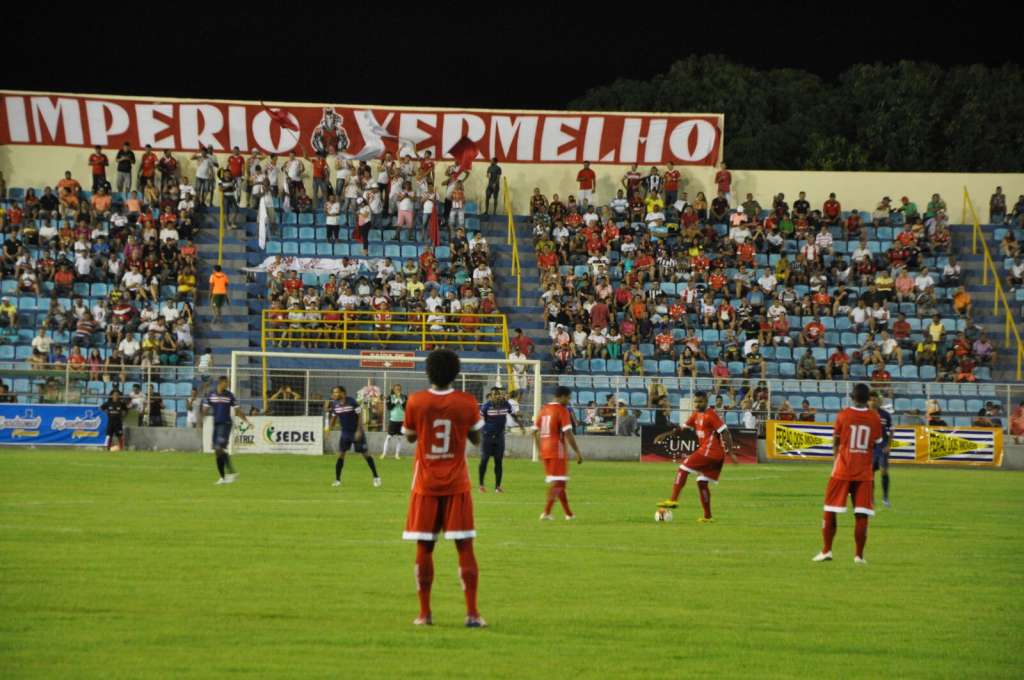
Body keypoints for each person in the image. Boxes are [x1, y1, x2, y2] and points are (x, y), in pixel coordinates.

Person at [400, 349, 486, 628]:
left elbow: (411, 436)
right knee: (465, 547)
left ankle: (424, 615)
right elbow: (475, 439)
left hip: (425, 484)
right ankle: (472, 614)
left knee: (424, 547)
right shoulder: (466, 402)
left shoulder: (416, 401)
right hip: (457, 484)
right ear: (456, 372)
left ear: (428, 372)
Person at [813, 383, 883, 565]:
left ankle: (826, 550)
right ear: (868, 398)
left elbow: (836, 441)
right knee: (862, 513)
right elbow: (878, 443)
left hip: (842, 468)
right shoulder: (874, 418)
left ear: (852, 396)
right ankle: (859, 556)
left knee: (830, 508)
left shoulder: (843, 415)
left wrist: (836, 458)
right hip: (864, 472)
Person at [654, 390, 739, 522]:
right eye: (696, 401)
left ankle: (673, 499)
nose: (697, 404)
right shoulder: (695, 415)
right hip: (716, 456)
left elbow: (725, 432)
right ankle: (708, 517)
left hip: (710, 451)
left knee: (683, 468)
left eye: (700, 402)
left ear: (706, 401)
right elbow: (681, 430)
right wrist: (665, 435)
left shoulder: (711, 415)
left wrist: (731, 452)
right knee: (702, 483)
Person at [534, 386, 584, 520]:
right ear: (561, 396)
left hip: (545, 450)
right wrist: (578, 452)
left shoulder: (544, 409)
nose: (569, 400)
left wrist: (539, 450)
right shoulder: (562, 410)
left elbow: (534, 431)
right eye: (568, 397)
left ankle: (569, 514)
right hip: (557, 450)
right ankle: (546, 512)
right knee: (559, 483)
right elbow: (568, 433)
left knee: (560, 483)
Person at [202, 376, 251, 485]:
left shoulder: (229, 395)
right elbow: (205, 409)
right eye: (226, 382)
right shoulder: (211, 394)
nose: (228, 384)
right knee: (217, 451)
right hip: (216, 425)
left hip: (225, 424)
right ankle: (223, 478)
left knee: (219, 448)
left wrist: (246, 421)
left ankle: (232, 473)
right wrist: (201, 421)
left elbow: (237, 411)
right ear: (221, 382)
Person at [327, 386, 379, 487]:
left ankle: (376, 477)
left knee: (366, 454)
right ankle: (337, 480)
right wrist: (328, 429)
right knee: (341, 455)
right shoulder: (335, 404)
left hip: (356, 431)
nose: (334, 394)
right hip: (345, 433)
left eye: (336, 392)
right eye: (333, 392)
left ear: (343, 393)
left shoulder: (352, 402)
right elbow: (333, 418)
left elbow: (360, 416)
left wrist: (359, 430)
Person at [478, 387, 514, 492]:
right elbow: (481, 420)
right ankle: (481, 485)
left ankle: (497, 486)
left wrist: (520, 423)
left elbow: (512, 413)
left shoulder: (506, 404)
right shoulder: (486, 407)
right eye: (495, 394)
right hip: (487, 437)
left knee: (498, 461)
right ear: (491, 396)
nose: (498, 396)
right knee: (484, 460)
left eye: (499, 394)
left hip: (499, 437)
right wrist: (483, 432)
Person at [869, 391, 894, 508]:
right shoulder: (865, 414)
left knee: (884, 471)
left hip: (882, 447)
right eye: (871, 399)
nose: (873, 402)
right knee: (870, 473)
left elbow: (891, 430)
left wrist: (889, 445)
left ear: (878, 401)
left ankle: (885, 498)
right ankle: (871, 499)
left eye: (875, 399)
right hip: (870, 448)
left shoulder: (885, 415)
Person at [380, 384, 408, 460]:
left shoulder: (404, 397)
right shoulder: (390, 397)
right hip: (393, 420)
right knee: (388, 437)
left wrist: (402, 402)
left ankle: (397, 455)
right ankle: (384, 454)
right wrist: (395, 402)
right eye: (396, 389)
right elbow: (389, 407)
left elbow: (407, 408)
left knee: (400, 438)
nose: (398, 390)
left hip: (402, 420)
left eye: (399, 389)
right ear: (394, 390)